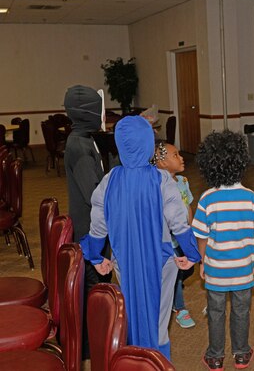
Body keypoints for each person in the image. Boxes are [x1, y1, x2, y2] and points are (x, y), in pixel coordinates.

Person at [80, 116, 200, 360]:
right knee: (158, 320)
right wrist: (192, 254)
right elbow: (180, 223)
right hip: (162, 261)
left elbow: (97, 227)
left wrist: (94, 256)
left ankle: (135, 361)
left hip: (124, 260)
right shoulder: (162, 179)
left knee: (132, 314)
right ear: (148, 144)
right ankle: (157, 362)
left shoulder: (109, 180)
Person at [192, 130, 254, 371]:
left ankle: (215, 357)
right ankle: (241, 354)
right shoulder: (250, 197)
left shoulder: (207, 199)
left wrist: (203, 262)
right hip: (243, 269)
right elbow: (253, 233)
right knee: (242, 311)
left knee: (215, 312)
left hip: (216, 270)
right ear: (242, 161)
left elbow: (201, 237)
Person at [63, 84, 111, 359]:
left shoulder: (83, 139)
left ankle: (90, 343)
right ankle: (89, 348)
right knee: (94, 289)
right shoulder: (80, 147)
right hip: (87, 230)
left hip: (91, 226)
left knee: (94, 288)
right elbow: (94, 194)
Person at [152, 140, 196, 329]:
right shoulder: (157, 184)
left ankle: (169, 290)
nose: (181, 158)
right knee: (175, 271)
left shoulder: (183, 181)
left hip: (182, 236)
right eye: (175, 155)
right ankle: (180, 308)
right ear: (161, 162)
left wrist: (191, 227)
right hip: (166, 239)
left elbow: (188, 205)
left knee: (188, 269)